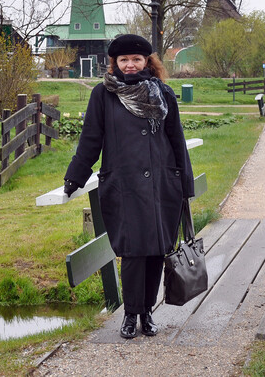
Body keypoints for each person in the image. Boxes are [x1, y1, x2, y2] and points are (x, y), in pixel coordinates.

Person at [63, 34, 194, 340]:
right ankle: (130, 314)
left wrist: (184, 183)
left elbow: (177, 140)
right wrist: (74, 178)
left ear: (148, 61)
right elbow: (91, 140)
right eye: (124, 60)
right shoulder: (103, 95)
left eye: (136, 59)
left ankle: (147, 312)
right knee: (133, 251)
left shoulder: (163, 93)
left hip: (161, 184)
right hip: (124, 185)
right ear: (116, 63)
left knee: (156, 251)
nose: (130, 65)